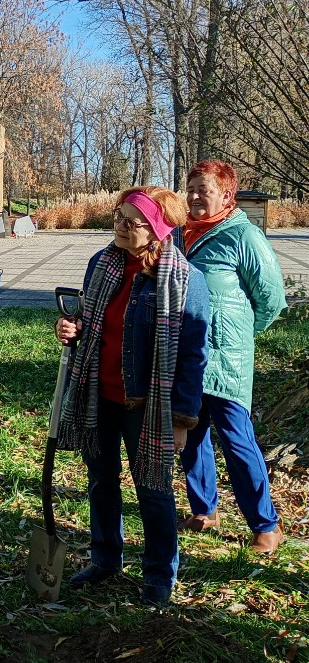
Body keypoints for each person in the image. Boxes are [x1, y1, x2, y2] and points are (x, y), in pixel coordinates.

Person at [56, 186, 210, 606]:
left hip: (147, 406)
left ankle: (159, 576)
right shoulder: (101, 264)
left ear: (158, 228)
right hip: (97, 396)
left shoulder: (186, 282)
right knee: (101, 481)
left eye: (131, 221)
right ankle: (106, 557)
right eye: (117, 217)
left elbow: (193, 356)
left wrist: (182, 418)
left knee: (153, 489)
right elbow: (89, 320)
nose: (120, 227)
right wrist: (73, 329)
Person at [177, 161, 287, 555]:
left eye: (202, 189)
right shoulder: (178, 235)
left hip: (226, 361)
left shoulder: (244, 235)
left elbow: (272, 298)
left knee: (237, 441)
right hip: (186, 357)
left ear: (226, 194)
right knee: (191, 435)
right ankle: (204, 511)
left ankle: (266, 525)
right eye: (189, 188)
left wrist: (238, 333)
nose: (192, 196)